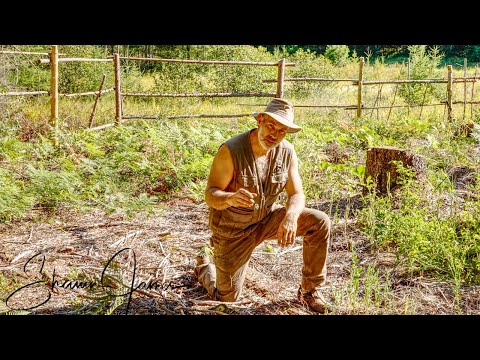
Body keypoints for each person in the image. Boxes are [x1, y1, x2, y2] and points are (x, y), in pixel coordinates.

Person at [194, 98, 331, 313]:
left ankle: (310, 291)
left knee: (319, 221)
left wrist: (290, 217)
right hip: (232, 232)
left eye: (281, 130)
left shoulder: (286, 152)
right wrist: (229, 198)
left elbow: (296, 193)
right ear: (260, 120)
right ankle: (204, 266)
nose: (274, 134)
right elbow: (210, 195)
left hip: (265, 220)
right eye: (270, 126)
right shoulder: (231, 150)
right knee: (227, 300)